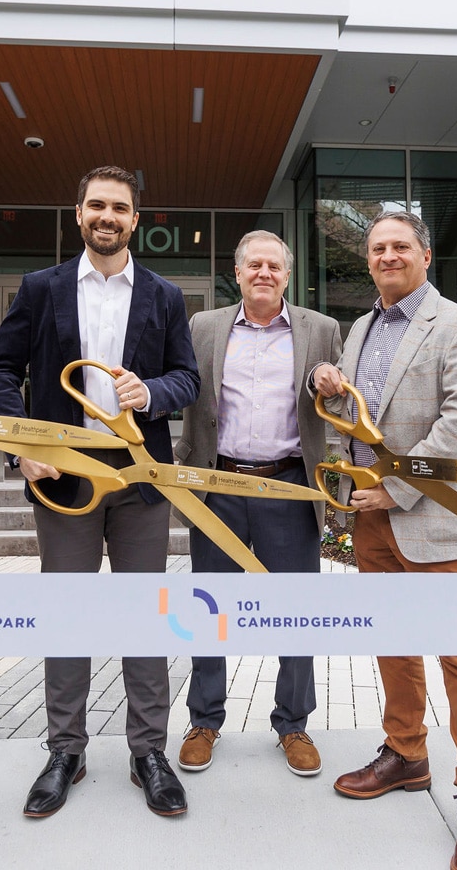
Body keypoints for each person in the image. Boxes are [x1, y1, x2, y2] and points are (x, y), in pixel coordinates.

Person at [0, 164, 199, 819]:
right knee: (67, 615)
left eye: (120, 208)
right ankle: (65, 751)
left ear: (137, 220)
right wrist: (21, 444)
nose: (107, 216)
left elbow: (187, 378)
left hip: (138, 479)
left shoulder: (164, 294)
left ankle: (148, 753)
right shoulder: (39, 287)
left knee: (144, 616)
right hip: (64, 480)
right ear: (78, 214)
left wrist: (153, 393)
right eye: (96, 206)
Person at [312, 211, 457, 870]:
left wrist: (397, 489)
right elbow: (355, 420)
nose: (387, 256)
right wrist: (329, 388)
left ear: (424, 254)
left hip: (432, 516)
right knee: (393, 645)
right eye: (377, 249)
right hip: (372, 519)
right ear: (367, 261)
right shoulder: (361, 329)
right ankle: (407, 754)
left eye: (399, 246)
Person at [173, 229, 341, 778]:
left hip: (289, 486)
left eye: (274, 265)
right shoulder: (204, 326)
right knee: (210, 606)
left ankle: (293, 724)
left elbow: (337, 402)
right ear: (239, 273)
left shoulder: (321, 329)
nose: (264, 273)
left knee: (295, 608)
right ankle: (205, 719)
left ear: (286, 275)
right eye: (254, 265)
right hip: (218, 486)